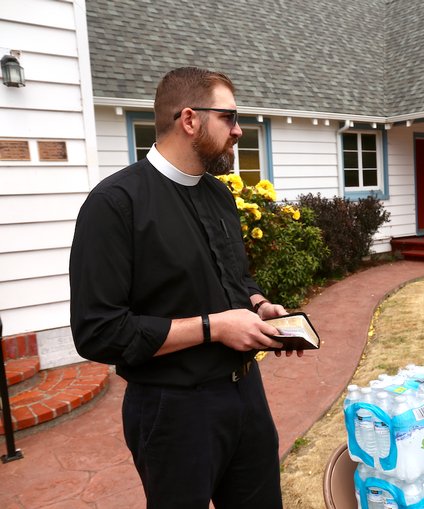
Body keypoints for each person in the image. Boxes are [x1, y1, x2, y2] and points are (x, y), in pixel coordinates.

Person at [69, 67, 301, 509]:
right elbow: (98, 332)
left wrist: (260, 306)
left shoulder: (219, 194)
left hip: (246, 396)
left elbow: (235, 279)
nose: (238, 130)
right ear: (190, 119)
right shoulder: (115, 205)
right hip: (173, 412)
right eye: (229, 117)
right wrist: (215, 327)